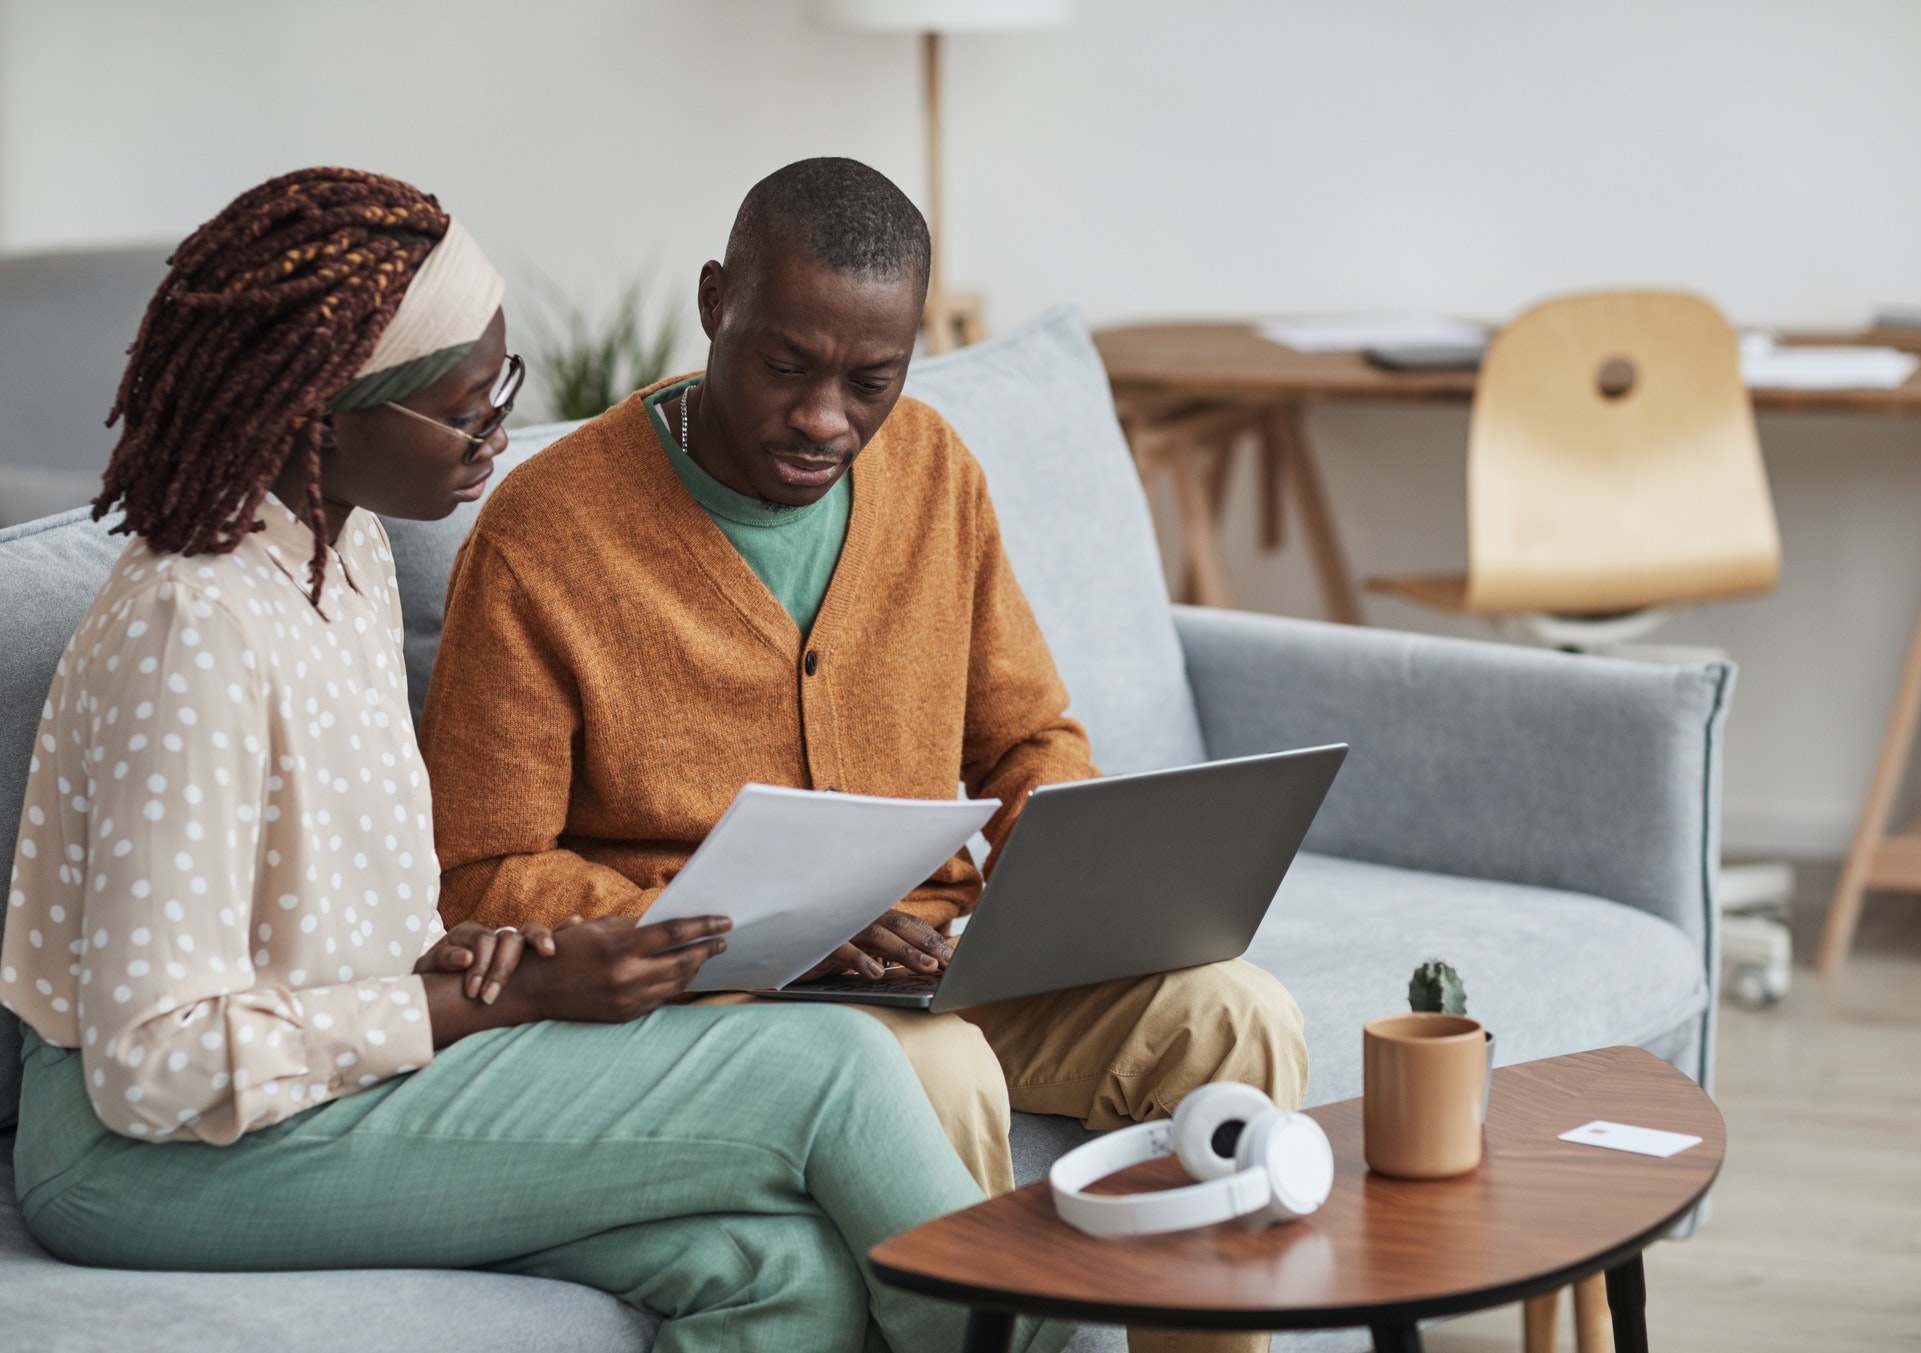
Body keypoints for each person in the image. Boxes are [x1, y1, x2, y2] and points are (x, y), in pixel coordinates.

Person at [0, 167, 1062, 1353]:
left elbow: (328, 911)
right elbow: (151, 1067)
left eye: (499, 386)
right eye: (462, 411)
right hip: (153, 1156)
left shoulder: (332, 555)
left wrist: (491, 955)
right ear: (322, 416)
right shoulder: (189, 629)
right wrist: (477, 1001)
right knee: (834, 1072)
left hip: (326, 1086)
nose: (498, 435)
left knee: (785, 1274)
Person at [418, 157, 1306, 1353]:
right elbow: (478, 870)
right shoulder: (545, 533)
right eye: (786, 365)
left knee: (1240, 1018)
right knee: (933, 1075)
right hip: (734, 998)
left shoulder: (933, 470)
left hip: (940, 950)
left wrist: (1083, 876)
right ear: (713, 300)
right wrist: (763, 920)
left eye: (869, 380)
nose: (824, 418)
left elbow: (1026, 735)